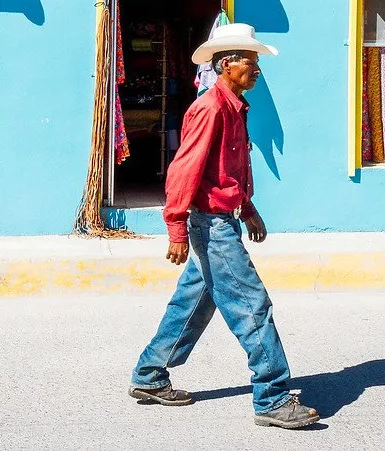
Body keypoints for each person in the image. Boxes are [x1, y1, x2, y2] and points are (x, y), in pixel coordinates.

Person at [128, 23, 319, 430]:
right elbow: (185, 168)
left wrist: (247, 209)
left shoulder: (234, 107)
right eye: (251, 63)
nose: (257, 71)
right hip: (211, 227)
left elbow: (226, 170)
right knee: (252, 306)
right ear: (227, 65)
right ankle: (272, 397)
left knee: (193, 303)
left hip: (221, 219)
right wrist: (176, 226)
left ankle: (149, 375)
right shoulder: (210, 108)